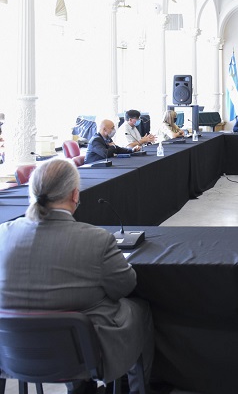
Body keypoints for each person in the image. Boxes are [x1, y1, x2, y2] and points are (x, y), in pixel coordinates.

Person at [0, 159, 154, 394]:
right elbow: (125, 286)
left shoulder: (3, 234)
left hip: (13, 352)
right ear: (74, 195)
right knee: (138, 309)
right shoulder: (97, 240)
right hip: (84, 354)